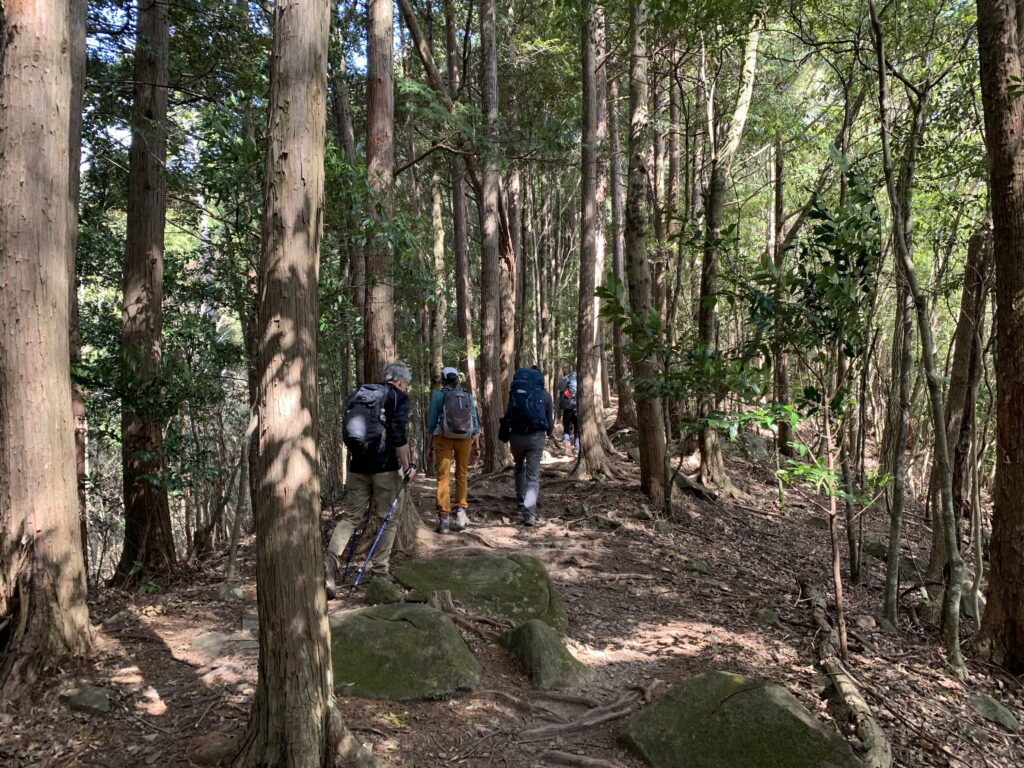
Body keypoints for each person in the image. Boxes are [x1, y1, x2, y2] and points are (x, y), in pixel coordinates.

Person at [326, 362, 415, 597]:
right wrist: (407, 466)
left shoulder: (359, 394)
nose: (406, 388)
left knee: (350, 518)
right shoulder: (397, 397)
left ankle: (329, 569)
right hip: (385, 469)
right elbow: (398, 435)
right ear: (399, 381)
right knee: (389, 519)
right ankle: (379, 574)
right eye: (406, 384)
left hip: (357, 466)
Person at [425, 366, 481, 534]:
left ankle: (444, 519)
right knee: (462, 475)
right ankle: (460, 514)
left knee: (443, 478)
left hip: (444, 438)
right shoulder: (467, 396)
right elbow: (474, 423)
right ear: (457, 379)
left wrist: (428, 448)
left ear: (443, 379)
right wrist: (477, 445)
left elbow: (432, 423)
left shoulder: (438, 395)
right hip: (465, 439)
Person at [502, 366, 553, 527]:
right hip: (535, 438)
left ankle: (520, 501)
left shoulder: (516, 392)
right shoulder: (544, 395)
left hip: (516, 437)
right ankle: (529, 514)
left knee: (519, 467)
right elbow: (549, 420)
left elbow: (509, 413)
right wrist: (549, 431)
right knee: (533, 476)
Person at [557, 371, 579, 455]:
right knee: (577, 431)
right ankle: (577, 449)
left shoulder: (565, 386)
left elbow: (559, 401)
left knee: (566, 430)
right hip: (577, 410)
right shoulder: (579, 382)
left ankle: (567, 443)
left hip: (567, 411)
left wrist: (559, 414)